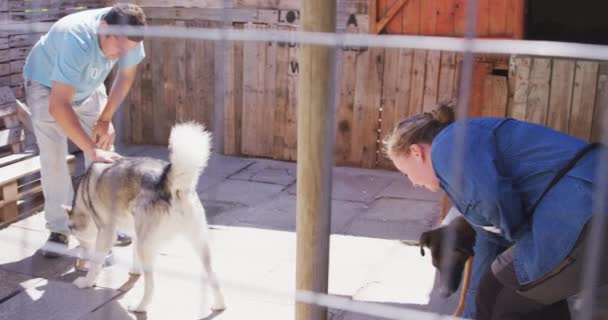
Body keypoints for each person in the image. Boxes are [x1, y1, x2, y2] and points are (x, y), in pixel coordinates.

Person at [383, 102, 607, 319]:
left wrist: (521, 239)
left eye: (406, 173)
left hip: (586, 205)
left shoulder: (447, 145)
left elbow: (494, 198)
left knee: (500, 296)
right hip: (586, 206)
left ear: (416, 152)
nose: (412, 183)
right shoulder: (457, 171)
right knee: (529, 295)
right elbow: (487, 246)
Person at [23, 3, 147, 258]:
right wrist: (88, 148)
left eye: (129, 51)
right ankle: (60, 229)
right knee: (55, 158)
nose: (123, 55)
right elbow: (59, 105)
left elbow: (126, 76)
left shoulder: (130, 32)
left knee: (106, 155)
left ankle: (109, 225)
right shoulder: (76, 38)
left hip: (88, 87)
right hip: (46, 86)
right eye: (119, 49)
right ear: (104, 28)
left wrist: (105, 118)